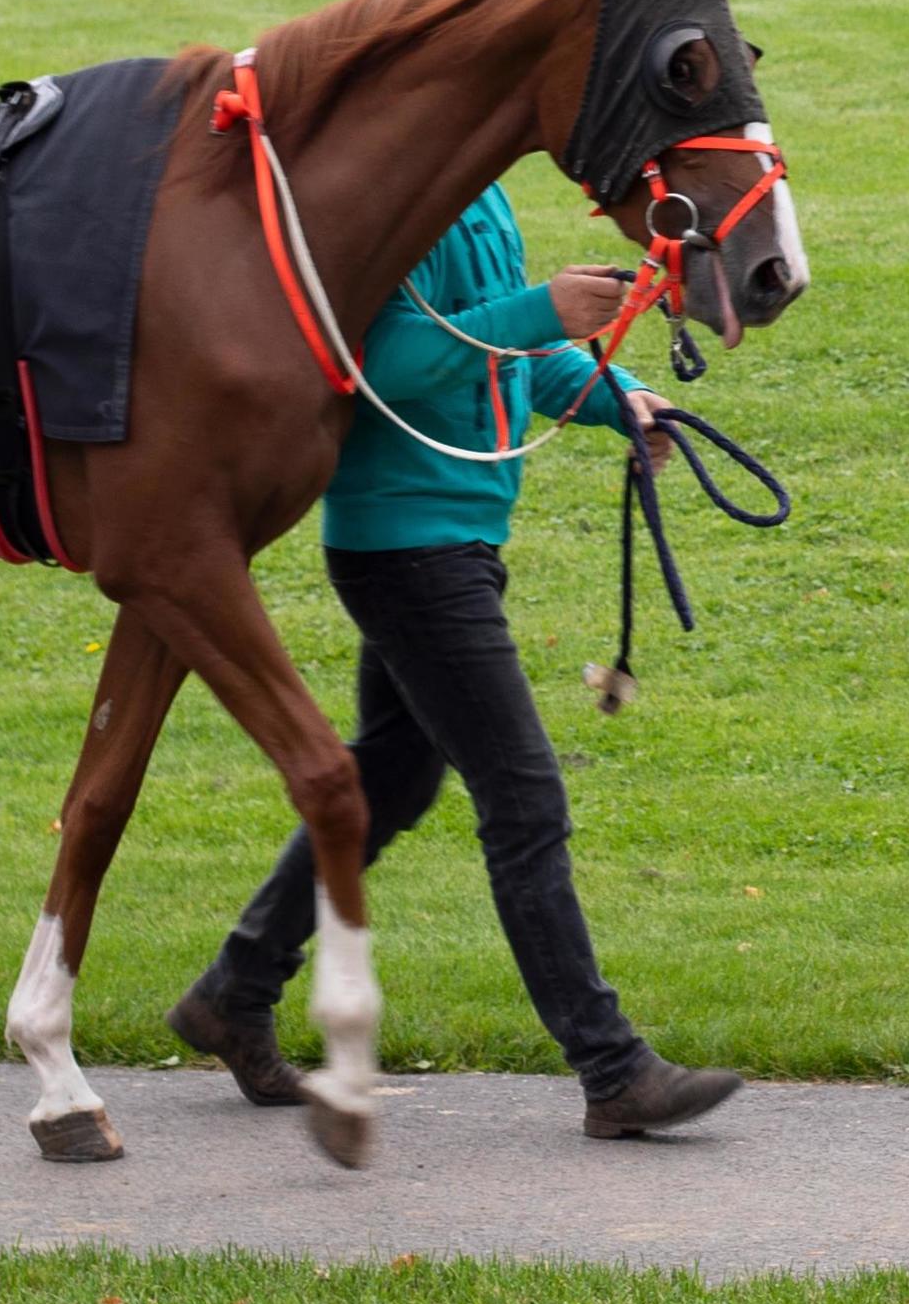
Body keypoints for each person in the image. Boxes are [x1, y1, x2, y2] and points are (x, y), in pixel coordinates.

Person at [164, 182, 747, 1139]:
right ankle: (614, 1071)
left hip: (453, 541)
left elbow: (510, 357)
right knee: (524, 799)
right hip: (408, 550)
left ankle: (234, 992)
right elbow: (375, 362)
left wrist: (621, 397)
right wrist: (540, 310)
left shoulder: (483, 199)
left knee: (392, 779)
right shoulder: (396, 202)